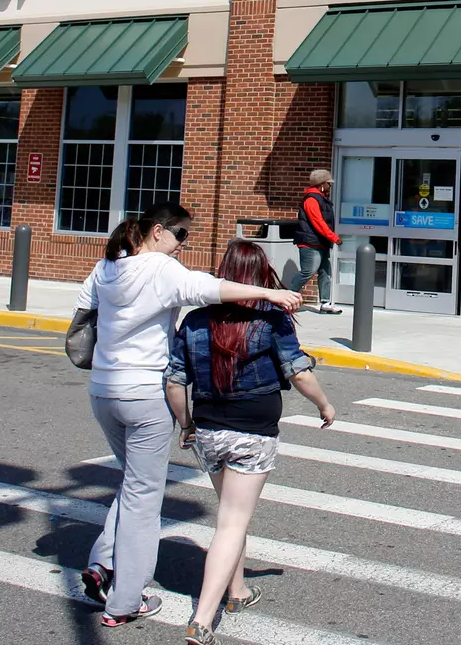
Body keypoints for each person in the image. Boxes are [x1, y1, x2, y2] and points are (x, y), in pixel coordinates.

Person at [76, 202, 302, 628]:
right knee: (144, 497)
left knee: (132, 483)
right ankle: (125, 602)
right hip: (143, 393)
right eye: (181, 235)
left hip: (102, 390)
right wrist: (269, 293)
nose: (183, 245)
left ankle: (102, 563)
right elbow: (210, 289)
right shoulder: (160, 269)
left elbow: (84, 311)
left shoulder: (107, 267)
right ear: (158, 232)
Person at [166, 238, 337, 645]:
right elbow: (298, 372)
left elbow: (174, 382)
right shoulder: (271, 319)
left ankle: (237, 592)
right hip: (252, 431)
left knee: (230, 513)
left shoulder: (194, 321)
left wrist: (186, 423)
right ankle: (203, 619)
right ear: (261, 276)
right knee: (232, 522)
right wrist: (324, 405)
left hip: (208, 427)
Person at [289, 168, 340, 313]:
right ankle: (286, 297)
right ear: (322, 184)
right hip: (310, 243)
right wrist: (334, 238)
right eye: (329, 184)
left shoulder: (321, 198)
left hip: (320, 242)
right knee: (308, 272)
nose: (330, 186)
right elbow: (318, 222)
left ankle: (325, 303)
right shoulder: (312, 199)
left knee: (325, 272)